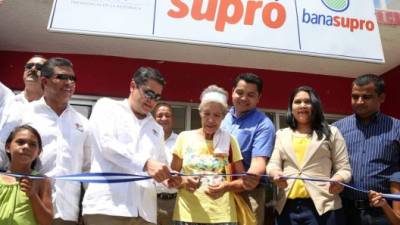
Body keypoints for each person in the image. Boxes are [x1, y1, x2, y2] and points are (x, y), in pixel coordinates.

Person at [0, 57, 92, 225]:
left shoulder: (83, 123)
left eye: (73, 78)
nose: (69, 82)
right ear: (45, 81)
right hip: (24, 207)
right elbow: (4, 155)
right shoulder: (23, 114)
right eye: (62, 77)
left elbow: (87, 170)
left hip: (67, 212)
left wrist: (85, 209)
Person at [82, 67, 175, 225]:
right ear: (133, 86)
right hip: (108, 208)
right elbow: (107, 146)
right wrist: (146, 164)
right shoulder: (106, 107)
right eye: (149, 93)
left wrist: (169, 180)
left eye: (157, 97)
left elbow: (158, 167)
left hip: (145, 214)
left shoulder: (156, 129)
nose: (151, 100)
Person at [267, 86, 351, 225]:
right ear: (291, 107)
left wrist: (338, 178)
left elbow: (344, 168)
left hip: (324, 208)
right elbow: (273, 164)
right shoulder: (281, 134)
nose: (302, 105)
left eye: (307, 101)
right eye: (297, 102)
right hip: (287, 209)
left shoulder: (332, 132)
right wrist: (275, 173)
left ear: (315, 105)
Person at [171, 84, 245, 224]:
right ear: (200, 113)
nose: (211, 120)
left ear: (223, 117)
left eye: (217, 115)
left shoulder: (230, 140)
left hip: (222, 217)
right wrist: (183, 181)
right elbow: (170, 177)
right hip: (187, 215)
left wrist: (226, 187)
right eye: (206, 114)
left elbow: (243, 181)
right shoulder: (184, 137)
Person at [334, 74, 400, 225]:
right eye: (355, 96)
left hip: (382, 211)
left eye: (366, 97)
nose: (359, 101)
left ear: (381, 98)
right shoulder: (338, 129)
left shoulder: (396, 128)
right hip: (344, 211)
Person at [221, 73, 276, 225]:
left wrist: (252, 176)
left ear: (259, 98)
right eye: (239, 92)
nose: (244, 98)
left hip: (249, 191)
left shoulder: (264, 124)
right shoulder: (222, 118)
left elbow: (259, 160)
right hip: (218, 189)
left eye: (250, 95)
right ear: (232, 92)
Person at [0, 125, 53, 225]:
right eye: (20, 142)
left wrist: (33, 195)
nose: (26, 147)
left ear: (39, 152)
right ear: (7, 147)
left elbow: (47, 222)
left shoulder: (41, 181)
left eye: (32, 144)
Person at [154, 102, 179, 225]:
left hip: (175, 202)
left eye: (167, 115)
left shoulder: (181, 141)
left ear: (172, 119)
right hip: (150, 201)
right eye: (160, 115)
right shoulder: (147, 141)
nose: (163, 118)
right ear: (154, 119)